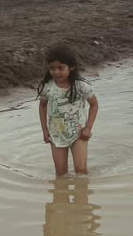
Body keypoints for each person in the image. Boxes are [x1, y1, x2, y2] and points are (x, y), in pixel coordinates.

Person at [38, 44, 99, 177]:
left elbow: (94, 105)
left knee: (81, 172)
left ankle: (81, 196)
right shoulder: (47, 87)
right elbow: (42, 106)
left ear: (71, 67)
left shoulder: (81, 86)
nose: (56, 72)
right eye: (52, 68)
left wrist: (88, 128)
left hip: (79, 134)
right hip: (56, 134)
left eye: (61, 68)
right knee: (61, 173)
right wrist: (45, 130)